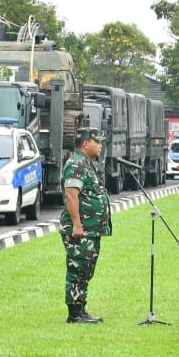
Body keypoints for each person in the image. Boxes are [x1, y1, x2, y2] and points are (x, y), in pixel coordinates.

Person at [59, 127, 111, 324]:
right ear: (85, 143)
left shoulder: (87, 163)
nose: (100, 146)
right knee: (77, 269)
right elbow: (71, 196)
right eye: (97, 142)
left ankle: (81, 309)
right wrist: (77, 225)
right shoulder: (76, 164)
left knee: (86, 269)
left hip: (91, 230)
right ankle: (74, 313)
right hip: (80, 230)